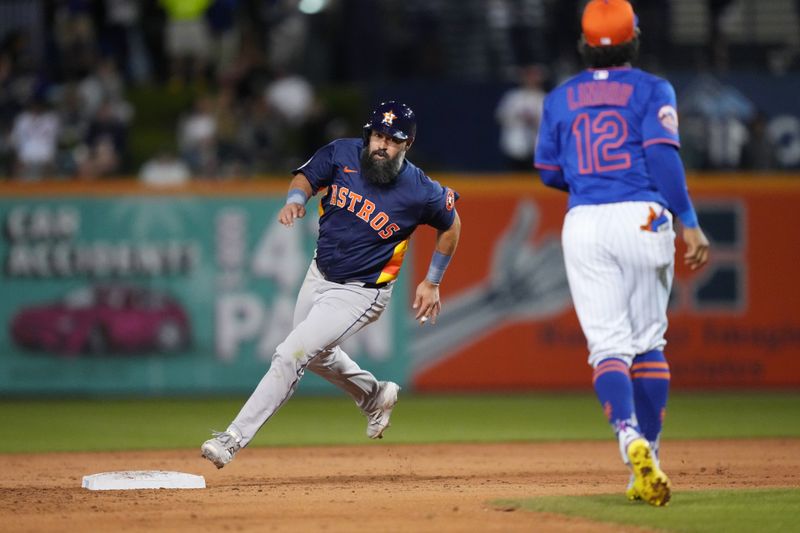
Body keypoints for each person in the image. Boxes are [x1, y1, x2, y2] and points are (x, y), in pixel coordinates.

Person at [201, 101, 461, 468]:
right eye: (378, 135)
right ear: (368, 134)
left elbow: (451, 225)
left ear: (408, 144)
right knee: (318, 355)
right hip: (318, 274)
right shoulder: (342, 153)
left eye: (393, 139)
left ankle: (233, 438)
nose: (382, 145)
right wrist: (296, 200)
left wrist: (432, 281)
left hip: (361, 292)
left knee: (290, 353)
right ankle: (374, 395)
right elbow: (306, 178)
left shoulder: (421, 190)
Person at [534, 0, 710, 507]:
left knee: (608, 347)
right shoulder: (654, 89)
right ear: (636, 38)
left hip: (585, 220)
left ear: (583, 46)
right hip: (643, 215)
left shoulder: (561, 97)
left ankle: (628, 437)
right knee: (649, 343)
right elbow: (661, 156)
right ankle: (648, 452)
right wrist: (691, 223)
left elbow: (548, 170)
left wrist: (590, 180)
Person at [495, 64, 547, 170]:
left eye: (535, 76)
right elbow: (501, 116)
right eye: (529, 76)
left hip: (536, 148)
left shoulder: (544, 98)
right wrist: (519, 117)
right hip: (515, 146)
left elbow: (549, 123)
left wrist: (535, 120)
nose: (532, 79)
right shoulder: (513, 96)